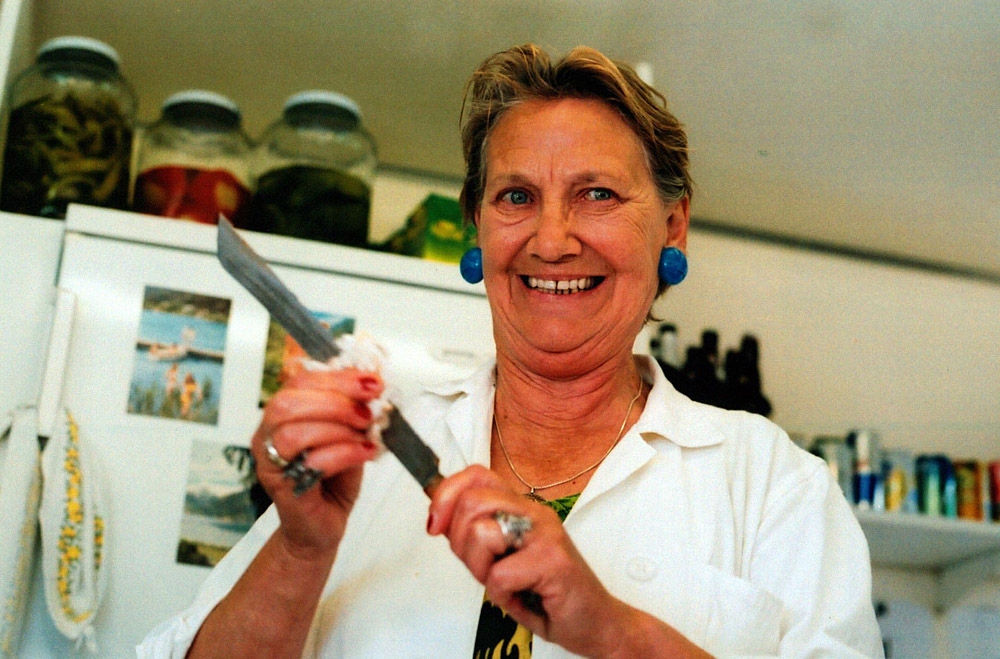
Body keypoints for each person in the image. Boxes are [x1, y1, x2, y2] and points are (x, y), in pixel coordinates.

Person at [139, 44, 883, 658]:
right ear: (478, 228)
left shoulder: (773, 487)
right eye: (517, 196)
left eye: (597, 194)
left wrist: (612, 631)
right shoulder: (371, 449)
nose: (552, 241)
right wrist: (301, 550)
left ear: (673, 226)